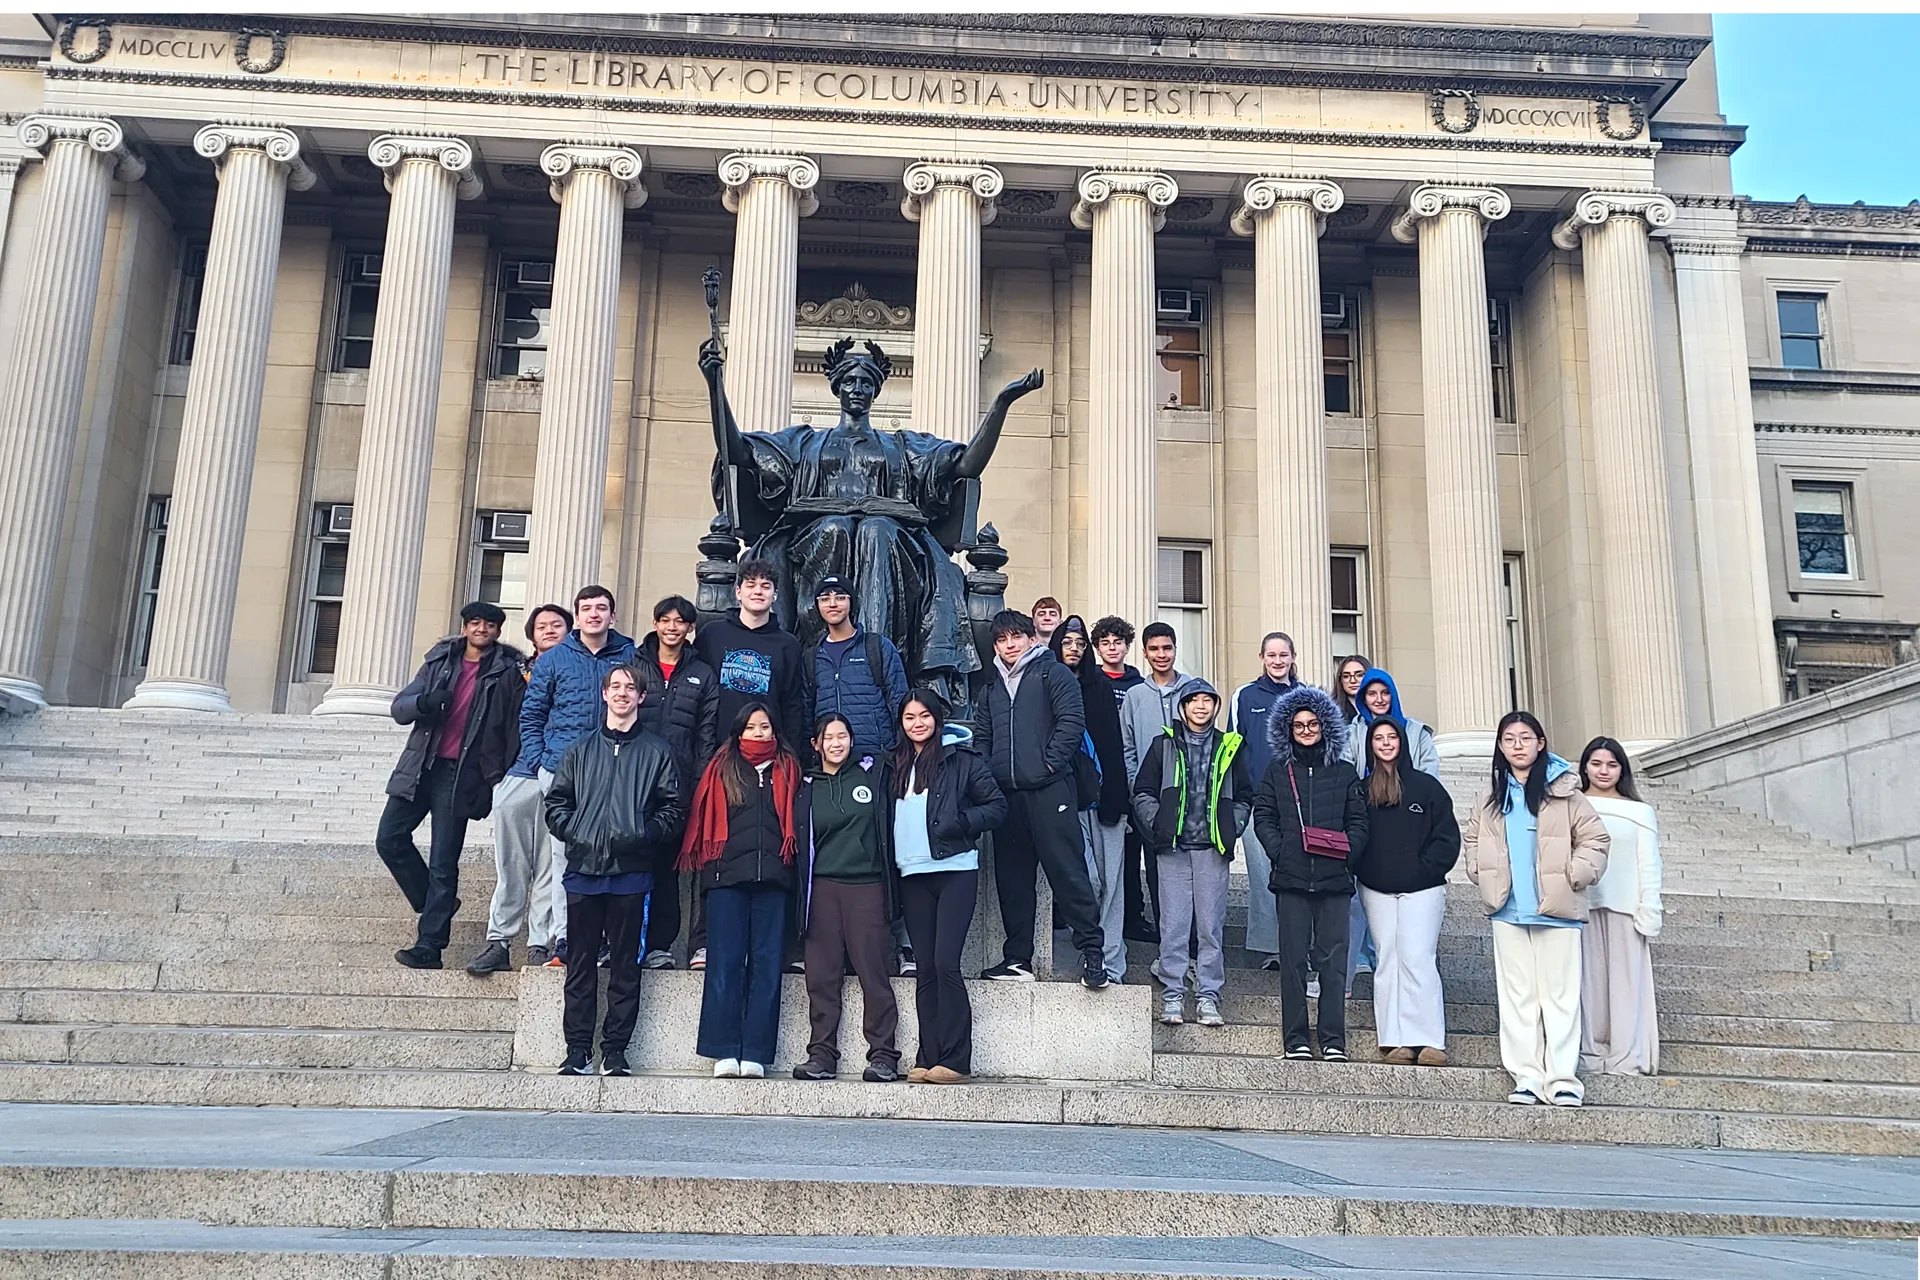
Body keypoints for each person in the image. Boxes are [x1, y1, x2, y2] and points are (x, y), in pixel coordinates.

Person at [542, 664, 683, 1076]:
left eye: (631, 688)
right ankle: (577, 1050)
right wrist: (578, 832)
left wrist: (641, 834)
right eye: (615, 687)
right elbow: (556, 804)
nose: (622, 694)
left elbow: (673, 808)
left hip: (631, 872)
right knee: (580, 965)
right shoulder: (579, 750)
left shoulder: (657, 752)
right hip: (583, 870)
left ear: (641, 697)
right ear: (604, 695)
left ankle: (615, 1050)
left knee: (625, 966)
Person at [1464, 711, 1610, 1107]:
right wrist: (1480, 871)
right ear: (1500, 746)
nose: (1517, 745)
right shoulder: (1491, 796)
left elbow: (1596, 839)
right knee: (1518, 998)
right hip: (1508, 910)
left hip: (1557, 910)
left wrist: (1575, 874)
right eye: (1509, 739)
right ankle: (1527, 1076)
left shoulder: (1565, 791)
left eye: (1525, 738)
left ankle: (1562, 1079)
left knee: (1560, 997)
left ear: (1540, 743)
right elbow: (1473, 837)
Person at [378, 601, 525, 970]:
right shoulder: (439, 661)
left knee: (444, 861)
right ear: (464, 627)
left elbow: (510, 728)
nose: (482, 629)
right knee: (389, 838)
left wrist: (495, 774)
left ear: (497, 631)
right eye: (475, 623)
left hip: (462, 774)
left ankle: (429, 946)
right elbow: (400, 708)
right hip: (421, 766)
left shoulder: (506, 671)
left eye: (489, 625)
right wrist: (425, 703)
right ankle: (433, 900)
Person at [972, 610, 1108, 988]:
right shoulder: (991, 687)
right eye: (1002, 639)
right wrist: (987, 776)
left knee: (1068, 872)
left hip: (1051, 790)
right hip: (1007, 796)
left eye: (1016, 636)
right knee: (1013, 881)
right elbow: (983, 736)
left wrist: (1048, 764)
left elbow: (1071, 722)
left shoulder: (1055, 673)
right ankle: (1017, 960)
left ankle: (1093, 953)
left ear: (1032, 638)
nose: (1009, 645)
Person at [508, 586, 637, 967]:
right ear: (577, 617)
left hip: (614, 772)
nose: (594, 615)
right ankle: (566, 937)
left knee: (613, 855)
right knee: (564, 858)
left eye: (602, 609)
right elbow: (531, 716)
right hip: (561, 771)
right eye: (586, 609)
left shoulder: (630, 655)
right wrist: (540, 762)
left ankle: (605, 940)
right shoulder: (553, 660)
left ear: (613, 616)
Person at [690, 559, 808, 971]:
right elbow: (700, 695)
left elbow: (793, 703)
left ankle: (783, 944)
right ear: (737, 592)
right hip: (722, 760)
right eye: (751, 585)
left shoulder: (787, 644)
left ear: (775, 595)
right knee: (716, 846)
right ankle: (704, 939)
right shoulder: (712, 635)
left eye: (766, 586)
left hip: (771, 761)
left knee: (778, 850)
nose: (758, 591)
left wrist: (792, 757)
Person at [890, 689, 1007, 1083]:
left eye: (924, 716)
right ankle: (929, 1055)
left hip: (954, 869)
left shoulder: (963, 759)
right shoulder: (898, 763)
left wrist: (959, 823)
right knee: (924, 969)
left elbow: (996, 808)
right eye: (909, 717)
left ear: (937, 719)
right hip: (912, 875)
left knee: (945, 963)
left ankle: (957, 1059)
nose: (917, 723)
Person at [681, 702, 801, 1078]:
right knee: (725, 965)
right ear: (738, 732)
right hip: (726, 880)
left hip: (774, 882)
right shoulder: (722, 768)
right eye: (751, 727)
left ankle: (757, 1051)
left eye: (765, 727)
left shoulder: (790, 768)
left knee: (767, 968)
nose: (759, 733)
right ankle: (723, 1050)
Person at [1251, 685, 1369, 1061]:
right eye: (1298, 725)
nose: (1305, 730)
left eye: (1312, 723)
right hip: (1292, 877)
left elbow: (1359, 821)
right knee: (1293, 962)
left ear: (1325, 726)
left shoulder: (1345, 772)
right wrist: (1281, 851)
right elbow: (1263, 815)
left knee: (1334, 964)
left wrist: (1348, 854)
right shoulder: (1277, 770)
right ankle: (1295, 1038)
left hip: (1335, 879)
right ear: (1288, 729)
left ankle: (1333, 1039)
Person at [1132, 679, 1252, 1029]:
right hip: (1173, 849)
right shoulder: (1164, 745)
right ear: (1182, 708)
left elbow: (1246, 794)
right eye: (1193, 701)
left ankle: (1208, 996)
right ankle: (1173, 994)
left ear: (1215, 707)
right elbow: (1142, 792)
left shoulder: (1231, 746)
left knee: (1210, 926)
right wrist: (1160, 823)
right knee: (1173, 924)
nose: (1200, 706)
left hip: (1212, 848)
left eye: (1207, 701)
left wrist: (1234, 824)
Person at [792, 712, 901, 1082]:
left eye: (843, 736)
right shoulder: (806, 786)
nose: (836, 743)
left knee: (874, 972)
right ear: (816, 744)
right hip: (821, 889)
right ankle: (821, 1055)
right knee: (821, 976)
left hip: (867, 886)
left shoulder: (872, 775)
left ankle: (884, 1055)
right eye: (829, 737)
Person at [1352, 718, 1460, 1066]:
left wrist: (1425, 868)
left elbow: (1446, 838)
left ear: (1402, 742)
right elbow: (1355, 835)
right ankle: (1393, 1039)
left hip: (1422, 889)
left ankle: (1428, 1039)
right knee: (1387, 959)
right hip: (1376, 888)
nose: (1385, 743)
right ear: (1370, 745)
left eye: (1391, 737)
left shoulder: (1426, 787)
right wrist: (1366, 870)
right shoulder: (1363, 789)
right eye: (1378, 738)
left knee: (1417, 957)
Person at [470, 602, 571, 974]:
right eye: (542, 625)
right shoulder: (514, 675)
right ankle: (499, 940)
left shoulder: (577, 673)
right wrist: (496, 776)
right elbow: (493, 726)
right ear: (532, 634)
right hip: (517, 776)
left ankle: (538, 942)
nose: (549, 630)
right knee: (511, 865)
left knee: (550, 866)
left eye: (557, 625)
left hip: (559, 777)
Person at [632, 595, 719, 970]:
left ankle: (659, 946)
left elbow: (706, 733)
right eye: (665, 620)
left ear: (689, 628)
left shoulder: (702, 673)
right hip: (634, 782)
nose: (672, 627)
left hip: (678, 783)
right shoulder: (634, 667)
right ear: (655, 624)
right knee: (630, 863)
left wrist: (699, 783)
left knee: (667, 869)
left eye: (679, 622)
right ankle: (622, 941)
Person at [1577, 737, 1662, 1077]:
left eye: (1611, 765)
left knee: (1627, 987)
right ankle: (1589, 1052)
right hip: (1583, 906)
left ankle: (1627, 1055)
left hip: (1626, 907)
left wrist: (1650, 906)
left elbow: (1649, 863)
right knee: (1588, 986)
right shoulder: (1572, 804)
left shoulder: (1640, 811)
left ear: (1622, 770)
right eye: (1596, 763)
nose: (1603, 771)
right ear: (1584, 766)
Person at [1052, 616, 1130, 984]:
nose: (1074, 648)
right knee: (1088, 881)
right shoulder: (1045, 683)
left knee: (1112, 885)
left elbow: (1114, 746)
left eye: (1080, 643)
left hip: (1104, 799)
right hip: (1064, 800)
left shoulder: (1098, 686)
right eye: (1067, 642)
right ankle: (1089, 952)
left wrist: (1116, 797)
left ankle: (1112, 963)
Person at [1226, 632, 1304, 970]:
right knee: (1262, 876)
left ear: (1292, 657)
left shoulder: (1307, 697)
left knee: (1296, 875)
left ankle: (1300, 946)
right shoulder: (1244, 696)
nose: (1277, 661)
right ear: (1261, 657)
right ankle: (1269, 948)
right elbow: (1233, 747)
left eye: (1283, 655)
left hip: (1299, 801)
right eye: (1271, 655)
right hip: (1257, 802)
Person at [1091, 616, 1155, 944]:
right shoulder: (1091, 682)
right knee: (1117, 857)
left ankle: (1136, 915)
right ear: (1098, 648)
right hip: (1104, 777)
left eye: (1118, 642)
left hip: (1140, 777)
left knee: (1141, 852)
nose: (1112, 647)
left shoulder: (1140, 686)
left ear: (1128, 647)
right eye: (1105, 642)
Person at [806, 575, 909, 758]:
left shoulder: (877, 647)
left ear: (851, 602)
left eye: (840, 597)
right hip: (831, 759)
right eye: (824, 599)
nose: (832, 604)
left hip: (877, 757)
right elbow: (806, 711)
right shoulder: (811, 657)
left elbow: (900, 702)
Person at [1344, 668, 1440, 777]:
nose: (1379, 700)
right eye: (1372, 694)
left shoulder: (1418, 733)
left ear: (1393, 695)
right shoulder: (1351, 734)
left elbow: (1430, 774)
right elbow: (1346, 774)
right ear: (1364, 699)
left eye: (1385, 693)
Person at [1332, 654, 1370, 729]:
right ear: (1340, 680)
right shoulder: (1332, 712)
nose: (1352, 681)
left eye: (1359, 675)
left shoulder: (1379, 707)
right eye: (1346, 676)